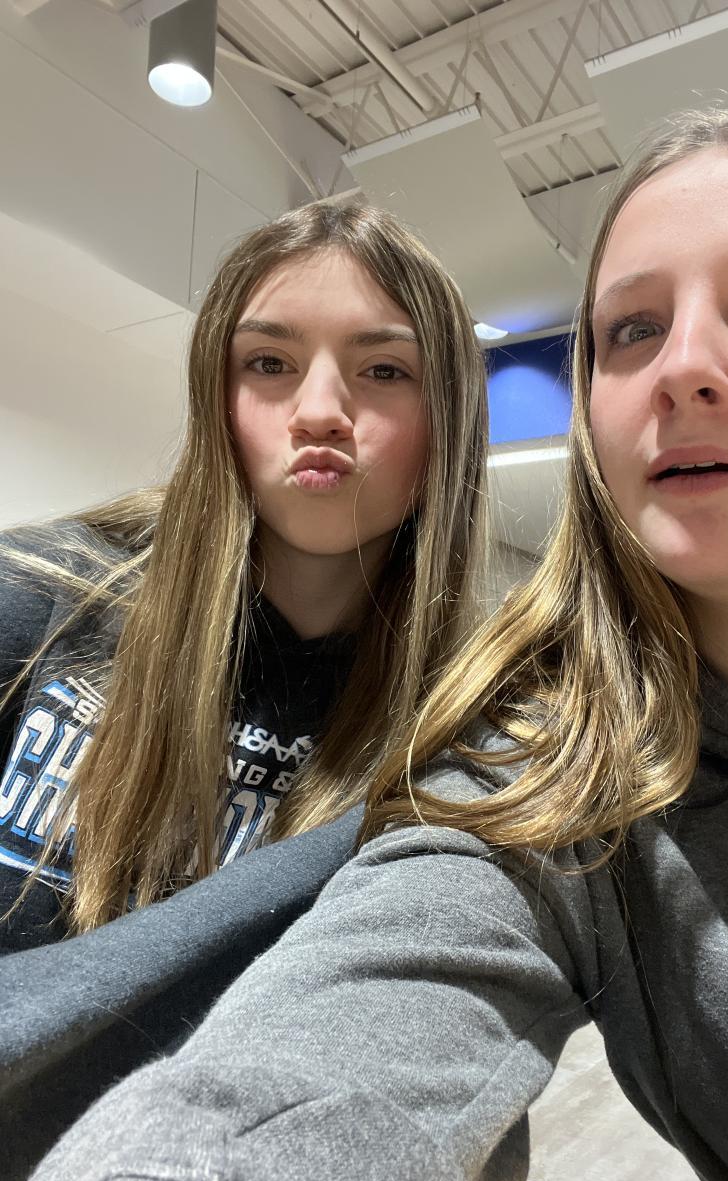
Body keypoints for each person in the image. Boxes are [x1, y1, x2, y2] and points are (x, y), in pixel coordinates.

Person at [3, 85, 728, 1181]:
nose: (685, 369)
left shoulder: (457, 714)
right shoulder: (548, 763)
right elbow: (325, 1080)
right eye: (631, 330)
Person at [0, 200, 488, 953]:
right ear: (215, 399)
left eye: (384, 370)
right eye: (269, 364)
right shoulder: (37, 592)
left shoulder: (465, 727)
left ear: (448, 426)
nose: (319, 412)